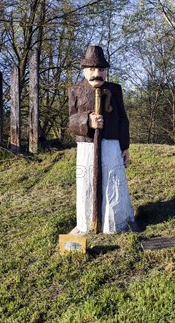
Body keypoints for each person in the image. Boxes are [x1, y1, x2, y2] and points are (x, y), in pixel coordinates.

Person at [68, 45, 136, 234]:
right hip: (87, 147)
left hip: (112, 145)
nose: (97, 73)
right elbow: (71, 120)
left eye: (101, 69)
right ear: (84, 70)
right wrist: (87, 120)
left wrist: (125, 146)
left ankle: (115, 222)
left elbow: (123, 118)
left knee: (114, 182)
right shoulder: (75, 90)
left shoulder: (115, 89)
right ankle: (87, 222)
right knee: (86, 183)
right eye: (92, 69)